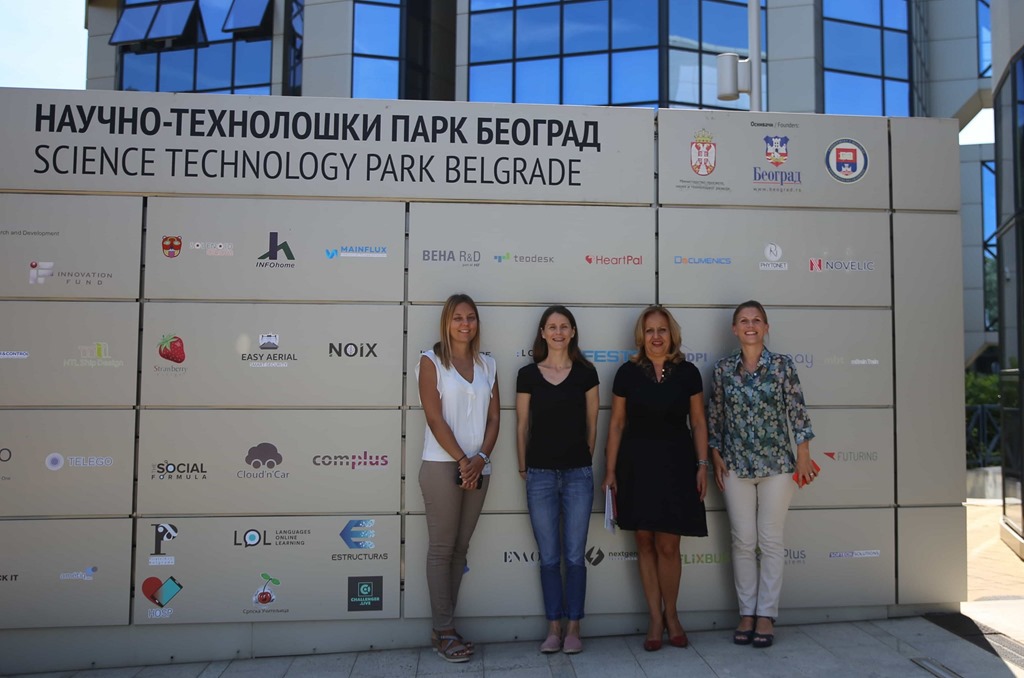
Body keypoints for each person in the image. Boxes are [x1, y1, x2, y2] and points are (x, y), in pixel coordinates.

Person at [708, 300, 816, 649]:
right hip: (736, 466)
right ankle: (746, 614)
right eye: (743, 320)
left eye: (756, 320)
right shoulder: (723, 370)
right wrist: (715, 454)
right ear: (734, 329)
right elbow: (715, 417)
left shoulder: (783, 366)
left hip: (777, 468)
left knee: (770, 540)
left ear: (766, 327)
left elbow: (797, 413)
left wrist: (803, 455)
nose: (750, 325)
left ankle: (766, 615)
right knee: (742, 540)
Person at [602, 305, 709, 652]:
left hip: (677, 464)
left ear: (672, 335)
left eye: (662, 330)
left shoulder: (689, 372)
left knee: (668, 545)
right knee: (644, 542)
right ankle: (654, 618)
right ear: (641, 336)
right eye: (650, 331)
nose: (656, 336)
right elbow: (616, 424)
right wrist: (610, 470)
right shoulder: (627, 373)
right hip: (636, 465)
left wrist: (703, 463)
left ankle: (673, 615)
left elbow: (699, 422)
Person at [417, 293, 500, 663]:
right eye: (457, 318)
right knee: (441, 549)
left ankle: (443, 628)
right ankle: (445, 630)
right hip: (441, 466)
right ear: (446, 323)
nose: (465, 324)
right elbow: (434, 418)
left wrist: (480, 459)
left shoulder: (489, 364)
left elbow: (495, 419)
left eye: (471, 317)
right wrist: (464, 460)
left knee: (459, 549)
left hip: (479, 467)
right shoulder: (431, 361)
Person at [516, 305, 600, 655]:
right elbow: (522, 425)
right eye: (552, 326)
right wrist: (524, 467)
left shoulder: (586, 373)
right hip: (539, 476)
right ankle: (553, 628)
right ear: (542, 332)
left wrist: (583, 459)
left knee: (575, 556)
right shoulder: (527, 375)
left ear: (573, 332)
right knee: (549, 557)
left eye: (564, 326)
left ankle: (574, 627)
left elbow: (593, 424)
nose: (558, 332)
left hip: (578, 474)